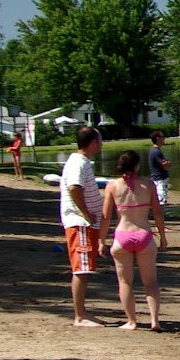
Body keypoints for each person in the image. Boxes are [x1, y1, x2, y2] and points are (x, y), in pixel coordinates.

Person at [102, 149, 168, 331]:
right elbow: (157, 212)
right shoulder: (148, 184)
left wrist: (101, 240)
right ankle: (155, 320)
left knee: (125, 282)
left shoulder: (113, 186)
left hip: (123, 235)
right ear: (137, 165)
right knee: (151, 282)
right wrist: (162, 235)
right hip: (144, 235)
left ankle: (132, 321)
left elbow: (106, 216)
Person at [59, 126, 105, 327]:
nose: (102, 144)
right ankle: (79, 315)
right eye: (100, 140)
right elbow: (74, 187)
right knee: (81, 269)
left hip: (85, 224)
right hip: (80, 224)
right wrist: (86, 213)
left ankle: (82, 312)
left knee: (86, 268)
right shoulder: (78, 162)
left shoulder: (82, 162)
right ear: (93, 143)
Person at [147, 131, 171, 208]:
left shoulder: (154, 150)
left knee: (158, 197)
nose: (164, 139)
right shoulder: (156, 151)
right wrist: (168, 163)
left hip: (156, 178)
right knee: (161, 199)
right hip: (159, 178)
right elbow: (164, 165)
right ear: (158, 139)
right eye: (162, 137)